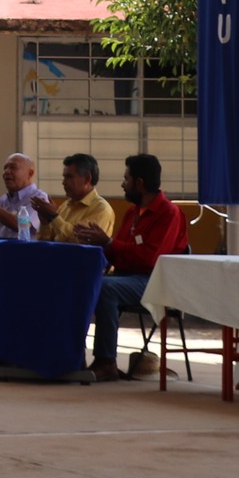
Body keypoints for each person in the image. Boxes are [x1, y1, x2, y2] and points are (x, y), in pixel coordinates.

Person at [81, 154, 186, 382]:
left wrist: (108, 243)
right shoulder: (132, 212)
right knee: (83, 281)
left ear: (139, 183)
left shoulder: (169, 214)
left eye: (125, 179)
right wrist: (96, 246)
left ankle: (106, 362)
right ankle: (75, 357)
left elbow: (150, 259)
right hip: (126, 277)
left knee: (106, 288)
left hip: (155, 282)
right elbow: (116, 252)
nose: (122, 184)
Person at [0, 153, 53, 239]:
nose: (7, 171)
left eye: (13, 167)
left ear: (30, 173)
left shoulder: (39, 198)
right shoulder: (0, 202)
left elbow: (22, 226)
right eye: (5, 168)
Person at [39, 153, 114, 244]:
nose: (63, 182)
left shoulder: (101, 209)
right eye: (64, 177)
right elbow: (46, 242)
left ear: (87, 179)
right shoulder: (65, 206)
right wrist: (44, 223)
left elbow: (79, 240)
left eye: (69, 177)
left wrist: (54, 217)